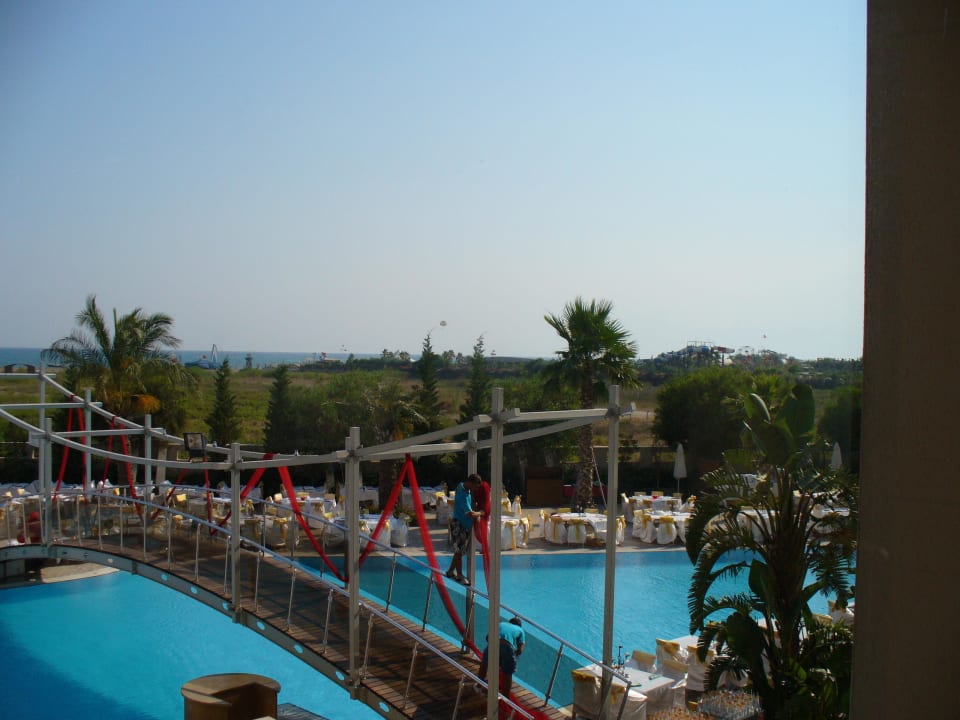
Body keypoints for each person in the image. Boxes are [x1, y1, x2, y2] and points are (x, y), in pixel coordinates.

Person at [478, 617, 526, 696]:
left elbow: (488, 637)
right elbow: (520, 650)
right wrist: (514, 655)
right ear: (519, 626)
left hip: (494, 641)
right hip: (508, 646)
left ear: (509, 622)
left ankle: (479, 685)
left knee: (484, 664)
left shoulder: (501, 624)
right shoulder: (520, 630)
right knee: (508, 673)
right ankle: (505, 696)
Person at [446, 475, 480, 585]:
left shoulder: (461, 486)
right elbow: (470, 513)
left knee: (459, 551)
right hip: (460, 525)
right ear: (471, 483)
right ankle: (454, 572)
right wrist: (481, 513)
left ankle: (455, 573)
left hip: (461, 524)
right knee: (459, 551)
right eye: (475, 486)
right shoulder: (463, 495)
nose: (475, 489)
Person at [469, 472, 491, 543]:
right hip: (478, 508)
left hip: (485, 509)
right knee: (477, 530)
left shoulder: (485, 486)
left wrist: (480, 513)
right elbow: (474, 500)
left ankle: (484, 543)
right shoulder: (474, 489)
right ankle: (482, 542)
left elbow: (486, 502)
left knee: (482, 528)